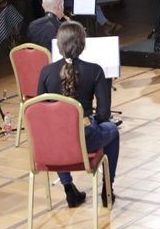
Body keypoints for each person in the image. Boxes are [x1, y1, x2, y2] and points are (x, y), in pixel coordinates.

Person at [37, 21, 121, 207]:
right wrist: (93, 121)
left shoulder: (46, 72)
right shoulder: (95, 70)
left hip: (54, 144)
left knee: (57, 132)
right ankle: (108, 186)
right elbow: (104, 113)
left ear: (59, 45)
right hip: (84, 138)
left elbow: (41, 113)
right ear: (82, 44)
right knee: (113, 131)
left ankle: (68, 188)